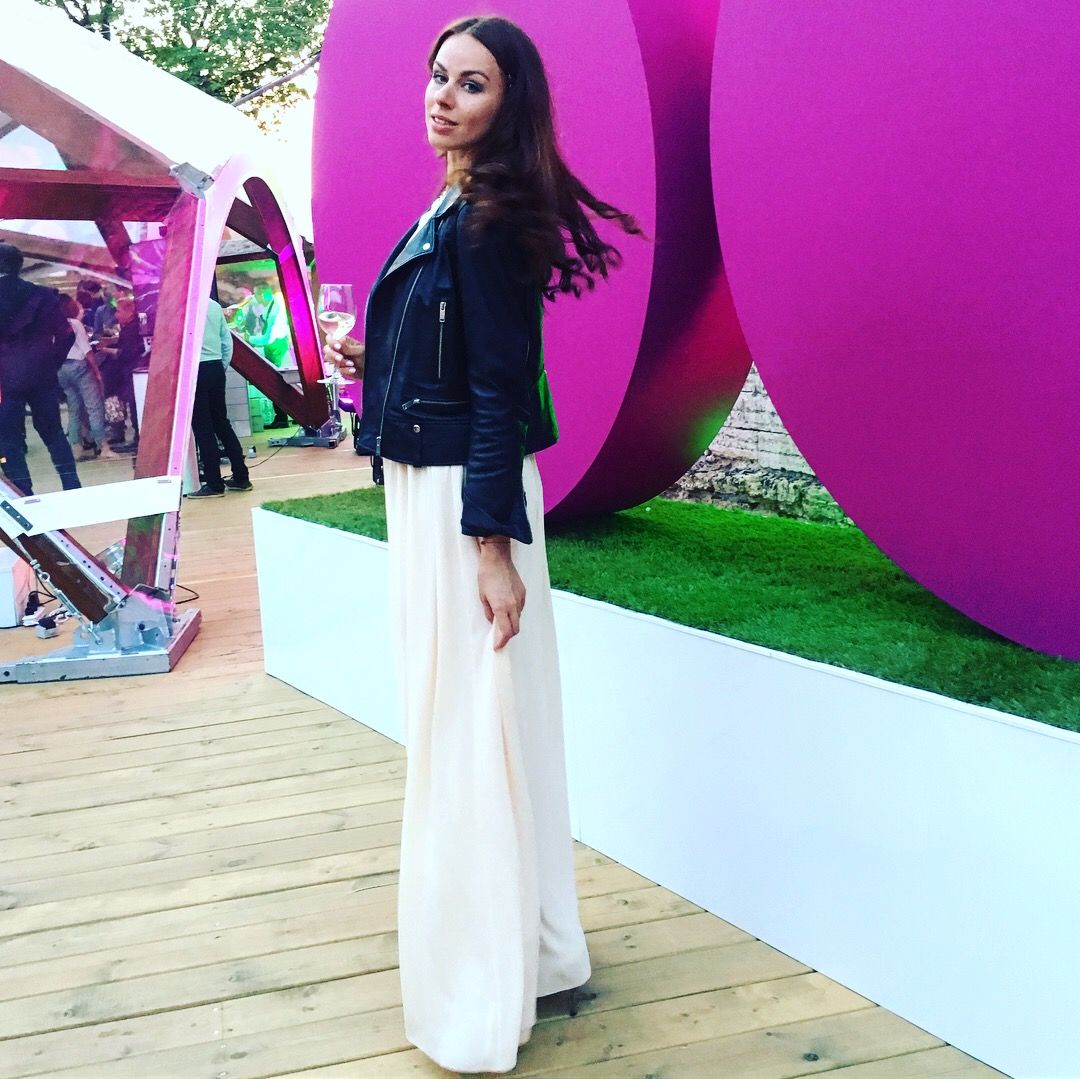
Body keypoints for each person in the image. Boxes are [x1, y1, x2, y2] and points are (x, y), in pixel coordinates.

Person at [324, 17, 640, 1074]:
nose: (444, 95)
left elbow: (501, 386)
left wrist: (491, 544)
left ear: (511, 105)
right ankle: (535, 950)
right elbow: (458, 356)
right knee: (478, 722)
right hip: (435, 487)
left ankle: (480, 983)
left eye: (472, 83)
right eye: (439, 76)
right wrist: (378, 349)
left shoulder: (490, 219)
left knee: (468, 730)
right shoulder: (453, 205)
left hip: (466, 497)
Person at [0, 243, 81, 496]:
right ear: (19, 264)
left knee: (9, 439)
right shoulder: (44, 296)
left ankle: (23, 492)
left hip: (5, 378)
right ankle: (71, 485)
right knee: (53, 432)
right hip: (42, 374)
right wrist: (51, 362)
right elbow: (67, 334)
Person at [186, 297, 252, 498]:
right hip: (215, 366)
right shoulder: (214, 306)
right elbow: (226, 341)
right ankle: (241, 477)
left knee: (203, 429)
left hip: (195, 370)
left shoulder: (184, 306)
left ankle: (214, 484)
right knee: (222, 424)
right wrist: (220, 366)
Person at [57, 294, 117, 462]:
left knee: (74, 409)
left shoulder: (51, 325)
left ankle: (76, 448)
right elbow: (86, 350)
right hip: (79, 367)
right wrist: (96, 372)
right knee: (94, 407)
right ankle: (103, 447)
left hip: (61, 369)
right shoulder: (74, 323)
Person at [95, 297, 142, 452]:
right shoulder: (129, 327)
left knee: (134, 405)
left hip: (132, 371)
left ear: (129, 312)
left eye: (119, 311)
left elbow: (127, 352)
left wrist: (107, 350)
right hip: (128, 372)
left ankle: (138, 438)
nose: (116, 315)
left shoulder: (132, 330)